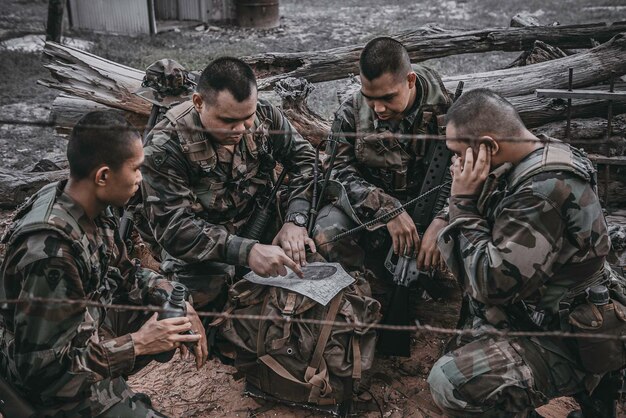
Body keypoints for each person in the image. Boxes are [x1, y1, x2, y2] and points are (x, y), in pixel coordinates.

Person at [427, 88, 625, 417]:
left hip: (569, 335)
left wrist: (461, 203)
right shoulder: (536, 155)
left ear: (489, 147)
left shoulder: (542, 188)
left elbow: (492, 283)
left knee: (450, 382)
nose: (456, 164)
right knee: (466, 341)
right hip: (546, 307)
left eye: (460, 154)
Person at [0, 111, 208, 416]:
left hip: (80, 332)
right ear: (103, 176)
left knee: (164, 311)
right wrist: (137, 344)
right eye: (136, 169)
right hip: (46, 385)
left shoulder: (91, 204)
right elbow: (44, 372)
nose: (141, 177)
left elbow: (126, 274)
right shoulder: (50, 252)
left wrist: (169, 295)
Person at [141, 57, 317, 309]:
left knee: (316, 243)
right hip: (202, 244)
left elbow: (306, 159)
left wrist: (295, 219)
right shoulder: (165, 145)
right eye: (227, 121)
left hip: (260, 218)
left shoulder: (264, 114)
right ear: (198, 103)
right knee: (205, 298)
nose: (241, 129)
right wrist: (247, 251)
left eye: (247, 117)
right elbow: (174, 229)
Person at [312, 36, 452, 297]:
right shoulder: (351, 112)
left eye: (388, 98)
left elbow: (469, 171)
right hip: (371, 213)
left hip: (430, 212)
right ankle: (358, 304)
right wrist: (386, 209)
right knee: (326, 232)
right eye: (370, 98)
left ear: (410, 81)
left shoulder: (447, 109)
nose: (378, 108)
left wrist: (444, 218)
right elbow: (336, 173)